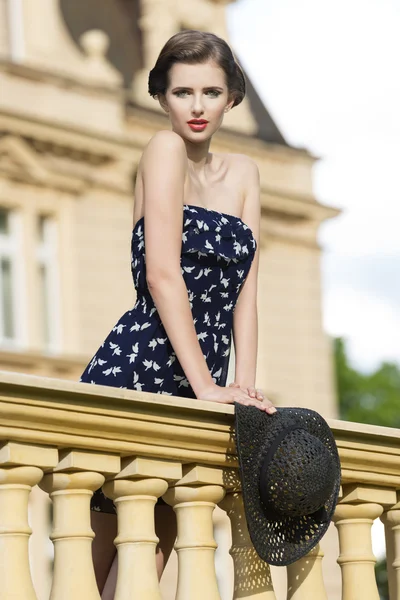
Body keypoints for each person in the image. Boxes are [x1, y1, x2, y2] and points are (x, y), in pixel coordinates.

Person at [79, 29, 276, 599]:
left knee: (151, 560)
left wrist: (243, 386)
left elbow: (247, 291)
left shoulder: (244, 174)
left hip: (203, 378)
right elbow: (164, 275)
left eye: (210, 92)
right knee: (108, 564)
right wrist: (207, 388)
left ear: (231, 98)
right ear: (162, 98)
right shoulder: (161, 150)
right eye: (181, 92)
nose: (196, 106)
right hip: (147, 363)